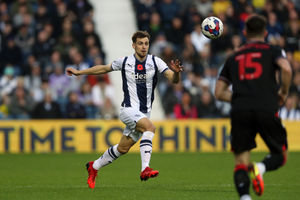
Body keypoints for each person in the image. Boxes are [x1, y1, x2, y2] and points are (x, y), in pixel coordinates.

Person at [66, 30, 183, 188]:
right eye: (140, 43)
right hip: (128, 109)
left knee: (123, 148)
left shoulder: (156, 61)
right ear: (133, 45)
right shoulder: (125, 61)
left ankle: (94, 167)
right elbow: (103, 68)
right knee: (150, 127)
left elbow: (173, 79)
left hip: (143, 113)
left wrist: (176, 73)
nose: (143, 47)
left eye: (146, 43)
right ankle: (145, 169)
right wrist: (80, 72)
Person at [215, 14, 292, 200]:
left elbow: (219, 92)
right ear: (265, 33)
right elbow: (287, 69)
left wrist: (241, 97)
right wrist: (283, 92)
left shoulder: (233, 56)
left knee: (241, 162)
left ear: (244, 32)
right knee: (280, 155)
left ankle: (245, 198)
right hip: (266, 106)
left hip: (240, 109)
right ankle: (261, 167)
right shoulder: (273, 50)